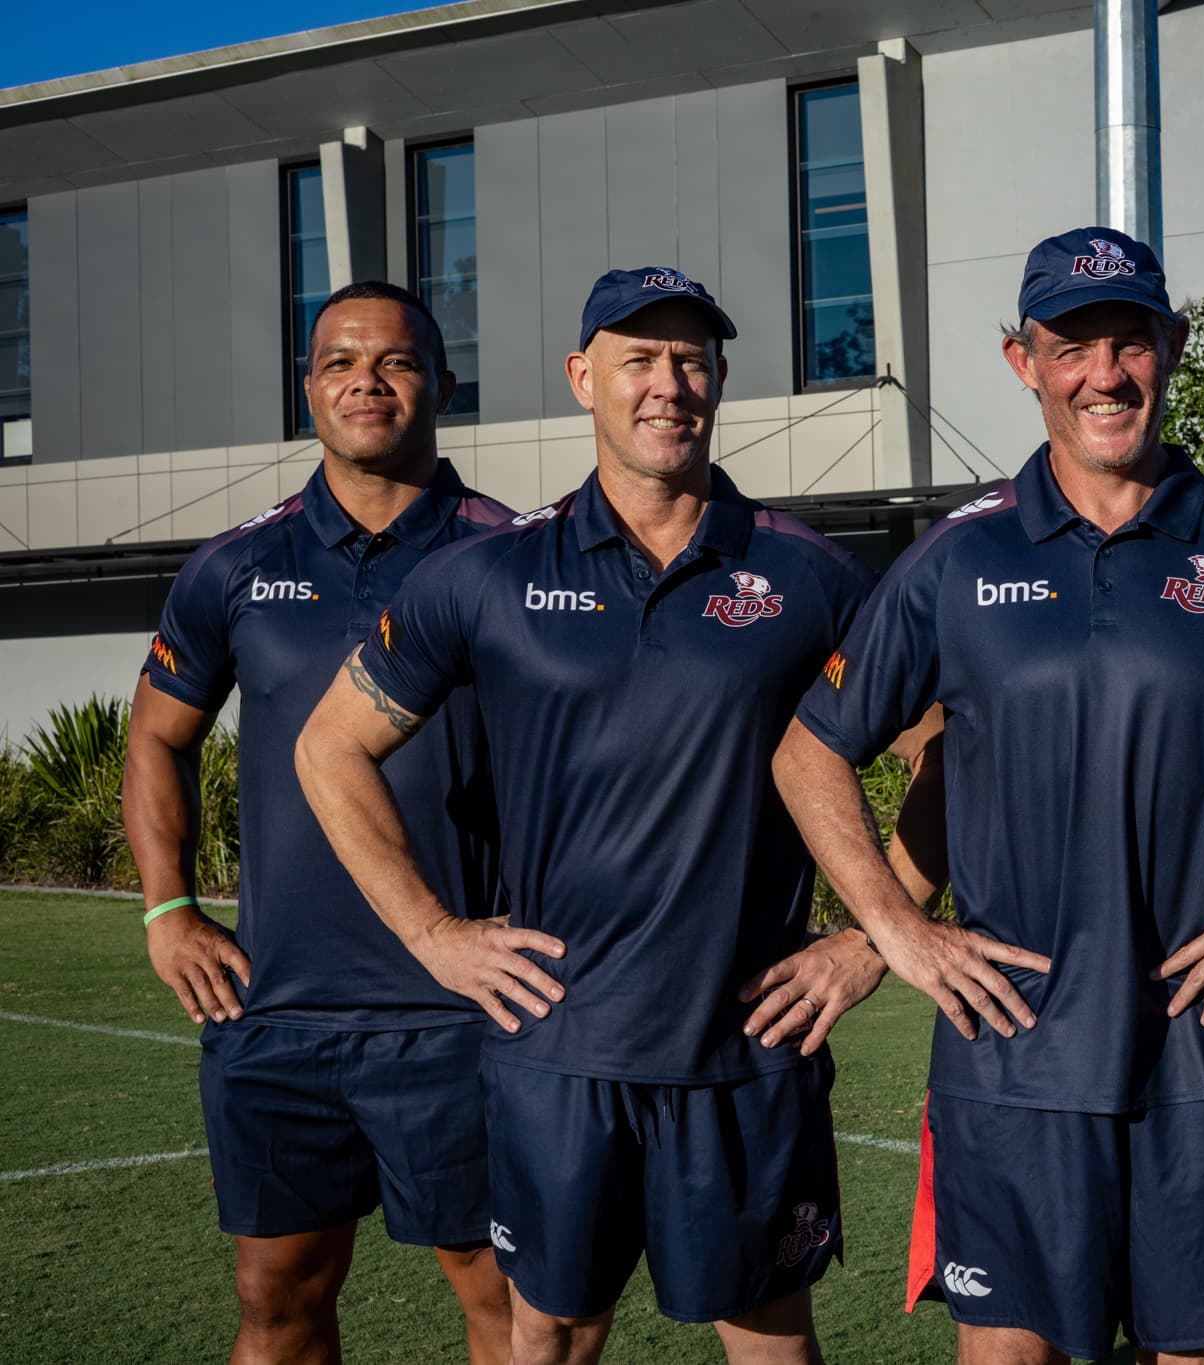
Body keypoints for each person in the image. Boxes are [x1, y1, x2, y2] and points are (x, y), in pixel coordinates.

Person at [773, 226, 1204, 1365]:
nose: (1102, 374)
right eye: (1068, 346)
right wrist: (894, 932)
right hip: (1009, 1058)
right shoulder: (953, 559)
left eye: (1127, 342)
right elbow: (808, 751)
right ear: (1020, 360)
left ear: (1168, 348)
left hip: (1202, 1052)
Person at [296, 267, 885, 1365]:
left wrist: (869, 941)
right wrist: (432, 932)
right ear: (583, 379)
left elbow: (947, 743)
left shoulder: (809, 577)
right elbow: (328, 747)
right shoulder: (486, 575)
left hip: (745, 1048)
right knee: (552, 1334)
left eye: (691, 359)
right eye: (638, 359)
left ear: (717, 379)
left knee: (768, 1340)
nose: (668, 384)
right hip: (556, 1052)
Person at [121, 280, 518, 1364]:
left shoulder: (516, 557)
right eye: (339, 362)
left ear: (440, 382)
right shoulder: (236, 565)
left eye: (393, 361)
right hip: (276, 1009)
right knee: (277, 1299)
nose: (366, 382)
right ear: (308, 390)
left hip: (463, 1008)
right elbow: (157, 737)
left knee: (512, 1308)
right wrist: (169, 910)